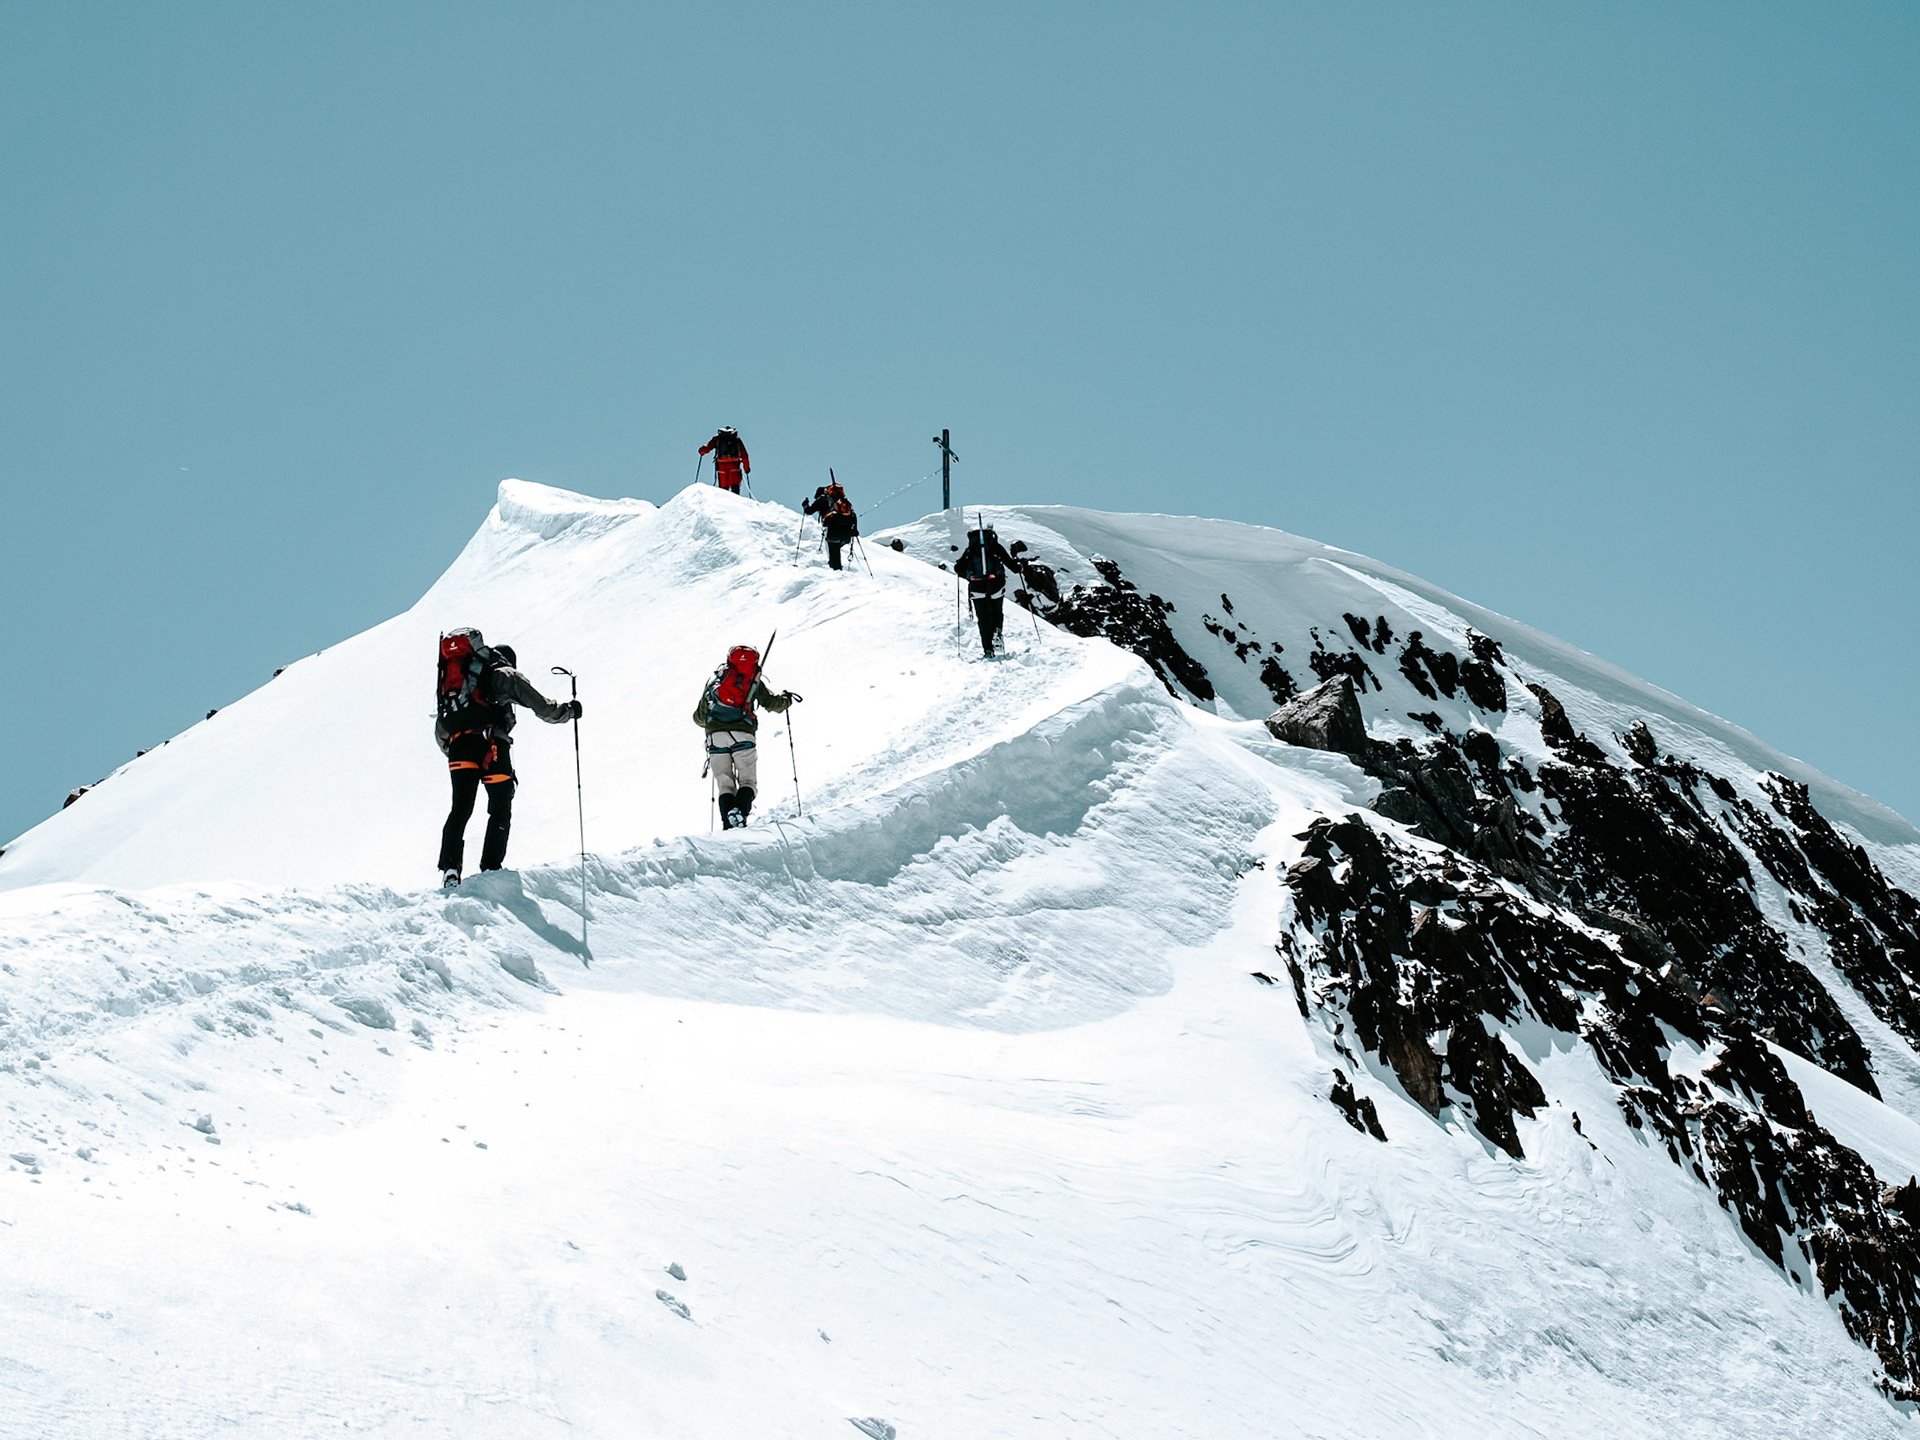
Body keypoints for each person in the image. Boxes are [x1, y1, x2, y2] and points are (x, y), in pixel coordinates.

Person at [435, 628, 580, 887]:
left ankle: (450, 870)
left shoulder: (457, 684)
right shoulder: (504, 674)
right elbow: (542, 706)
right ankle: (491, 868)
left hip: (459, 747)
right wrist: (567, 712)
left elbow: (442, 732)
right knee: (500, 807)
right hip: (492, 746)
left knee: (460, 808)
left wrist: (457, 749)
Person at [693, 642, 797, 829]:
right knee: (748, 781)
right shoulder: (754, 680)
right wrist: (786, 699)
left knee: (725, 784)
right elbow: (773, 704)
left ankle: (728, 825)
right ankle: (739, 815)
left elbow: (699, 718)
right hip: (743, 735)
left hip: (715, 737)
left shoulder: (715, 681)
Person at [954, 525, 1018, 657]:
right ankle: (997, 632)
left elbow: (958, 568)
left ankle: (988, 649)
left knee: (983, 618)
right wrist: (1020, 567)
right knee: (996, 612)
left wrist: (968, 576)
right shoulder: (995, 547)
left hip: (977, 587)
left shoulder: (970, 550)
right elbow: (1013, 566)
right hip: (996, 585)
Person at [804, 481, 861, 571]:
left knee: (833, 550)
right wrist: (854, 530)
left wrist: (805, 505)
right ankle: (837, 569)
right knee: (836, 548)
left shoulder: (822, 500)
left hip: (833, 531)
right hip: (847, 533)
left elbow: (809, 511)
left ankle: (836, 571)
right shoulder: (844, 502)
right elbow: (853, 515)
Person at [699, 427, 751, 495]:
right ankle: (736, 503)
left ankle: (724, 503)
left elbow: (707, 447)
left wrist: (702, 451)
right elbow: (744, 456)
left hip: (722, 467)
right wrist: (747, 469)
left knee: (723, 490)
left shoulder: (718, 438)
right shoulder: (736, 439)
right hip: (734, 467)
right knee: (735, 488)